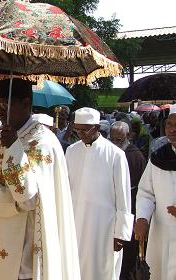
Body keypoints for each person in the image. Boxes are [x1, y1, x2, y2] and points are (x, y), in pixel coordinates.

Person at [0, 79, 80, 280]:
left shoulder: (43, 142)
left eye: (6, 105)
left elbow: (27, 199)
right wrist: (2, 197)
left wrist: (13, 149)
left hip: (25, 252)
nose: (0, 111)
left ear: (26, 104)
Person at [65, 108, 133, 280]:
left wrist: (121, 233)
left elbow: (124, 196)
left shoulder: (116, 154)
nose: (80, 134)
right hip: (75, 222)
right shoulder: (71, 151)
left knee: (102, 270)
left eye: (84, 129)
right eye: (77, 129)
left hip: (104, 227)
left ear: (96, 128)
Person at [134, 104, 176, 279]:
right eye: (169, 125)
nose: (173, 130)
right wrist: (143, 218)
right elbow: (146, 192)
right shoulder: (158, 157)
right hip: (163, 230)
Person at [109, 121, 147, 279]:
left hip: (130, 207)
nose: (115, 143)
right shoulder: (111, 152)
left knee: (127, 254)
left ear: (128, 136)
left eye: (119, 139)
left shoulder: (134, 155)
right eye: (112, 139)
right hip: (112, 207)